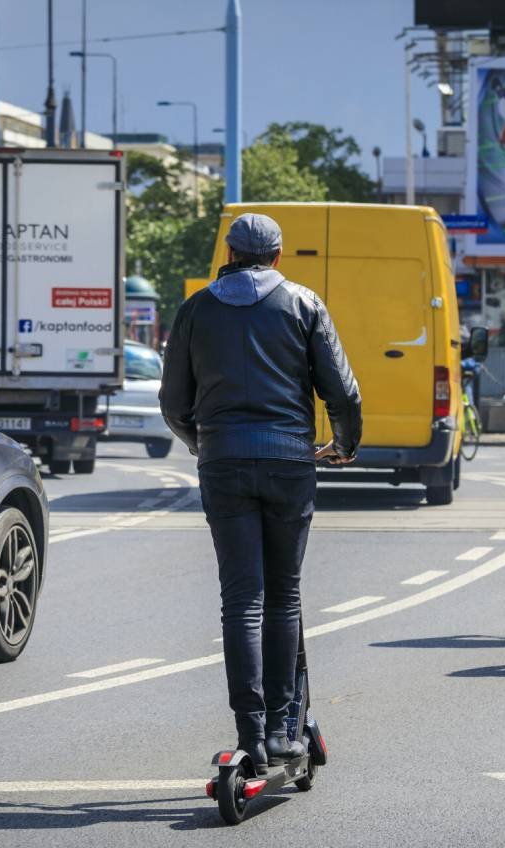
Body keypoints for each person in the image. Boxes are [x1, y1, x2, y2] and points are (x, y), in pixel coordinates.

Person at [159, 213, 362, 773]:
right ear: (277, 256)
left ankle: (249, 732)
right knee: (284, 595)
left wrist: (207, 444)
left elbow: (174, 403)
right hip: (289, 462)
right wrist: (344, 444)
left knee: (241, 599)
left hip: (224, 462)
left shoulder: (197, 309)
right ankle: (282, 729)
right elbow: (342, 391)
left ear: (229, 252)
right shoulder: (302, 304)